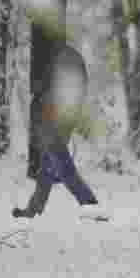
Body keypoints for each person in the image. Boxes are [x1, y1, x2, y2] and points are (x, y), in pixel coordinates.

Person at [13, 42, 98, 218]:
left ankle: (88, 201)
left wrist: (45, 108)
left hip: (55, 120)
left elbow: (55, 92)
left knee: (62, 165)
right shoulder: (67, 57)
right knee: (47, 167)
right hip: (59, 118)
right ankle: (33, 209)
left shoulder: (63, 59)